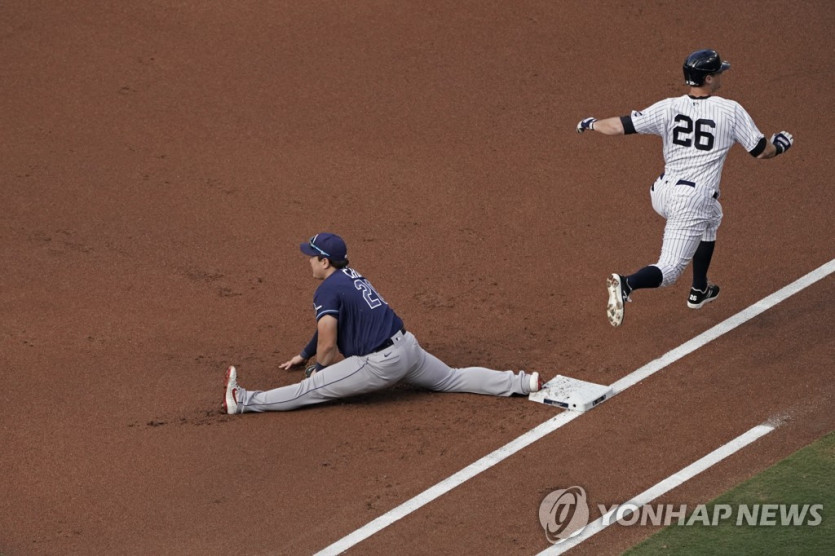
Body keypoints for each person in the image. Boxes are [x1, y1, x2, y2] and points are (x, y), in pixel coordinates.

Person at [576, 49, 794, 327]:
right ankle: (627, 283)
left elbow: (620, 126)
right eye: (718, 72)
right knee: (669, 271)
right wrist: (781, 146)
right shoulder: (730, 110)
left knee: (713, 215)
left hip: (662, 192)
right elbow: (762, 151)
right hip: (691, 201)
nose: (721, 75)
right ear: (707, 78)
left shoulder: (668, 107)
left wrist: (592, 124)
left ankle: (700, 289)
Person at [223, 232, 542, 413]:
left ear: (324, 262)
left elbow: (329, 342)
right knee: (452, 378)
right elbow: (333, 325)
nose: (307, 260)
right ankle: (522, 383)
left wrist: (320, 368)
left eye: (312, 256)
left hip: (381, 365)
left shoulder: (326, 289)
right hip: (409, 349)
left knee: (312, 389)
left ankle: (244, 401)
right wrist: (305, 353)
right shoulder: (351, 276)